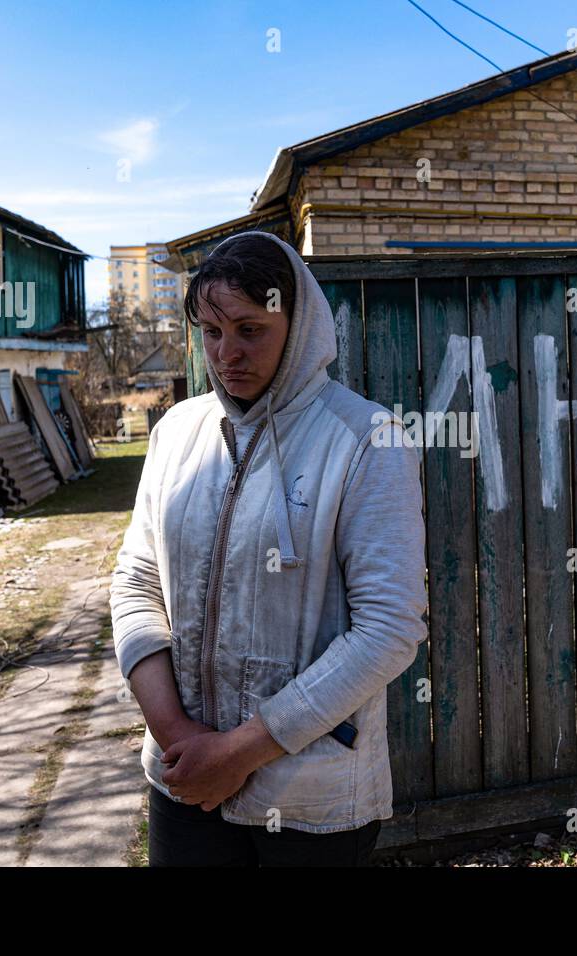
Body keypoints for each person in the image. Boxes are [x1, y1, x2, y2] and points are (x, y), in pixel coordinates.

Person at [109, 231, 427, 867]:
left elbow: (389, 628)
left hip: (312, 799)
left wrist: (241, 752)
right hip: (183, 781)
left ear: (299, 322)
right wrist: (179, 739)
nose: (227, 354)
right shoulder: (178, 433)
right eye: (211, 332)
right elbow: (137, 581)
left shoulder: (367, 441)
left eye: (250, 330)